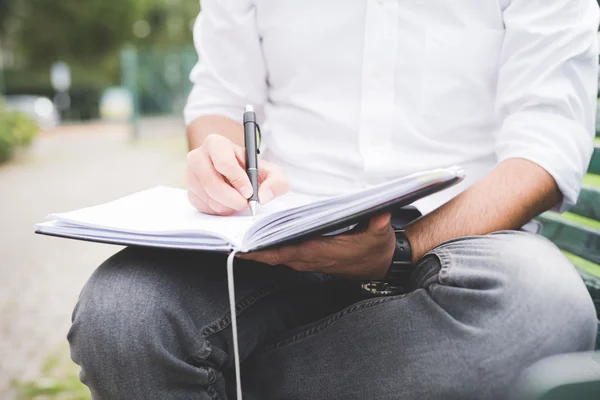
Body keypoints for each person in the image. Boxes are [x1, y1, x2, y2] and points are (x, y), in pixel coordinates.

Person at [68, 1, 600, 399]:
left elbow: (544, 146)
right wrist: (220, 159)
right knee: (120, 314)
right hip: (284, 227)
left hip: (464, 232)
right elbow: (220, 98)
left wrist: (402, 248)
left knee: (542, 311)